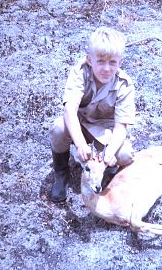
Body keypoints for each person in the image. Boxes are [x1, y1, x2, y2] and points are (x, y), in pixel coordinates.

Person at [49, 27, 135, 202]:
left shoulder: (124, 84)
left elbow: (121, 127)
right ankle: (61, 173)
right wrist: (80, 144)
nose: (106, 68)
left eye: (112, 62)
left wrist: (110, 152)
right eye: (100, 61)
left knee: (124, 154)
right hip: (80, 123)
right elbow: (69, 110)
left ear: (121, 62)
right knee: (58, 128)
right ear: (90, 60)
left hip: (105, 130)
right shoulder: (79, 72)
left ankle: (108, 171)